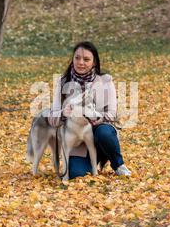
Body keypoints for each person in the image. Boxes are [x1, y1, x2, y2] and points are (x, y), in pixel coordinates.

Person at [48, 41, 132, 179]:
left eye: (86, 59)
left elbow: (112, 113)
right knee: (76, 174)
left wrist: (99, 118)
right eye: (77, 58)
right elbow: (52, 118)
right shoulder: (63, 82)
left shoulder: (105, 81)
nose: (81, 62)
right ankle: (89, 162)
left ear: (94, 62)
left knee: (104, 132)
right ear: (73, 59)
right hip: (78, 141)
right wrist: (63, 115)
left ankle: (118, 165)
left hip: (101, 134)